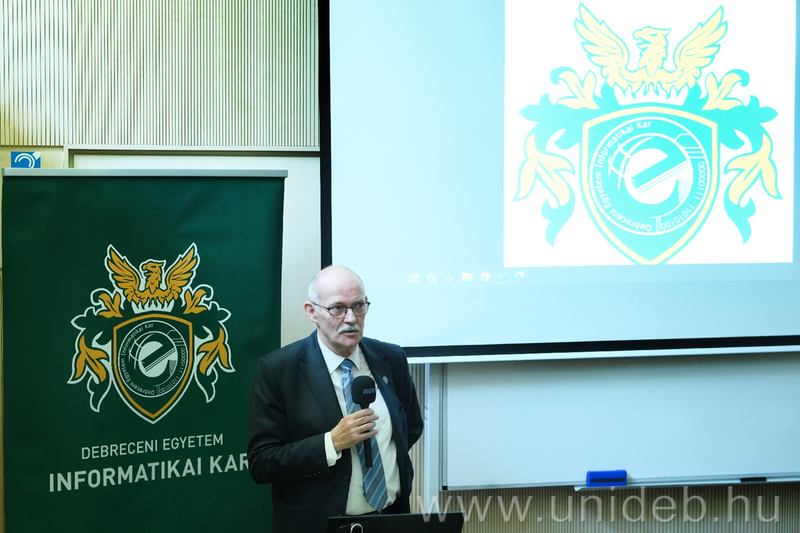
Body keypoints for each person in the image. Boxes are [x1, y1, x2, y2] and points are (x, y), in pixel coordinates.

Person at [247, 266, 424, 533]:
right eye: (338, 308)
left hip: (390, 519)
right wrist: (331, 443)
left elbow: (410, 428)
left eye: (359, 306)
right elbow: (263, 462)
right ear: (312, 312)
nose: (351, 318)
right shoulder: (279, 370)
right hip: (319, 524)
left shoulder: (391, 358)